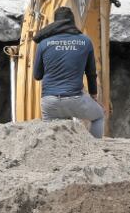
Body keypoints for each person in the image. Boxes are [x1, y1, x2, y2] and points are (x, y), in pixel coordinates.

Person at [33, 7, 104, 139]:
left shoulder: (43, 43)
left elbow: (37, 76)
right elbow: (91, 73)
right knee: (99, 115)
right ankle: (95, 148)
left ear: (55, 23)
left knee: (51, 136)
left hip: (49, 103)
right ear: (73, 21)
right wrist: (94, 96)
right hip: (76, 100)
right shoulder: (85, 41)